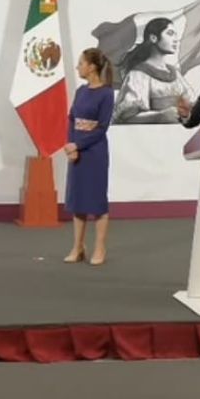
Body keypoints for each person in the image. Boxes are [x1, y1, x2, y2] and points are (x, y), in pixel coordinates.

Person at [63, 48, 115, 266]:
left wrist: (79, 143)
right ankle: (77, 247)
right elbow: (72, 119)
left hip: (95, 152)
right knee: (78, 201)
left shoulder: (106, 93)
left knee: (97, 202)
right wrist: (70, 145)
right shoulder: (80, 91)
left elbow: (102, 127)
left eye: (81, 63)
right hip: (77, 152)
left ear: (92, 67)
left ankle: (100, 247)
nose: (78, 67)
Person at [112, 18, 196, 124]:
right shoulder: (138, 75)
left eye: (175, 35)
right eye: (170, 34)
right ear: (153, 38)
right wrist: (159, 116)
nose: (175, 39)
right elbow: (126, 117)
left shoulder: (175, 74)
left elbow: (192, 104)